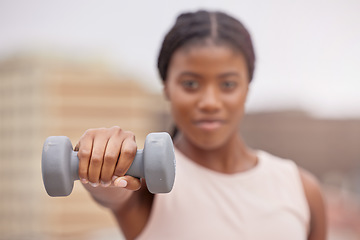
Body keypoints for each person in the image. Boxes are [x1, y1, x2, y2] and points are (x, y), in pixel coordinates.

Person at [75, 10, 327, 240]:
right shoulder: (147, 183)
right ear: (166, 88)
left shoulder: (302, 189)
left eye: (228, 84)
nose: (209, 102)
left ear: (246, 89)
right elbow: (112, 193)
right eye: (191, 84)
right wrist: (100, 165)